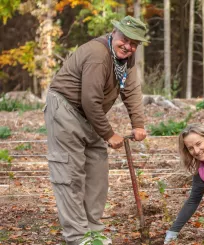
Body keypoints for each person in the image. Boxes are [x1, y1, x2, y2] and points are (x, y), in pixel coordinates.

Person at [43, 15, 148, 245]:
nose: (129, 46)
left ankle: (93, 230)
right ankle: (78, 237)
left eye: (134, 43)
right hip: (65, 108)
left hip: (90, 114)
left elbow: (130, 89)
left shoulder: (126, 57)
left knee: (97, 174)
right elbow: (90, 100)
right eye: (125, 40)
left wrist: (138, 124)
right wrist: (109, 134)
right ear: (114, 33)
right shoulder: (98, 55)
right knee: (69, 175)